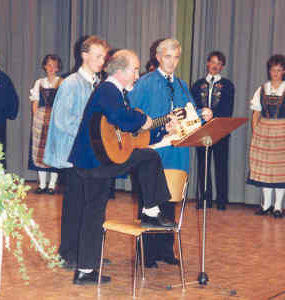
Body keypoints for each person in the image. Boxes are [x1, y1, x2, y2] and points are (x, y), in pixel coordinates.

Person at [68, 49, 176, 285]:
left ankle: (85, 271)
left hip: (99, 161)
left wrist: (159, 128)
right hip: (96, 161)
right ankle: (151, 212)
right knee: (148, 158)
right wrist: (141, 120)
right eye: (135, 69)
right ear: (120, 71)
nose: (138, 74)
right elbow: (121, 118)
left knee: (94, 215)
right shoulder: (109, 90)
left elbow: (130, 131)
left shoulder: (117, 93)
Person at [128, 38, 212, 268]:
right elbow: (132, 117)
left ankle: (166, 249)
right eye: (168, 56)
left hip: (178, 152)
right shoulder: (144, 84)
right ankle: (147, 253)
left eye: (176, 57)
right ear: (158, 57)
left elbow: (190, 116)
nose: (172, 62)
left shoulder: (183, 85)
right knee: (151, 201)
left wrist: (203, 115)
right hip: (153, 151)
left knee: (170, 201)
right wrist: (159, 128)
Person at [43, 36, 110, 268]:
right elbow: (62, 121)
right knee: (74, 207)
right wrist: (92, 134)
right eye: (98, 56)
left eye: (103, 56)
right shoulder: (71, 83)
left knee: (89, 206)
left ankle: (87, 252)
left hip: (90, 156)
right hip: (74, 157)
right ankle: (67, 253)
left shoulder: (97, 84)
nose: (102, 61)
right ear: (84, 55)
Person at [247, 54, 285, 218]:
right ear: (269, 70)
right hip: (264, 130)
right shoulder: (262, 88)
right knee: (265, 169)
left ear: (284, 71)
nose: (276, 73)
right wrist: (255, 132)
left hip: (282, 130)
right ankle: (266, 204)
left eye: (279, 70)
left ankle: (278, 207)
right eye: (273, 70)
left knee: (280, 170)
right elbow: (256, 113)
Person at [191, 51, 235, 210]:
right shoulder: (197, 84)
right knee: (203, 165)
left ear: (222, 66)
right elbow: (193, 106)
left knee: (221, 165)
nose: (215, 65)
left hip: (220, 129)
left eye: (219, 63)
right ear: (207, 63)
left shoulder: (228, 85)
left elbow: (227, 108)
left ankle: (222, 200)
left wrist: (213, 116)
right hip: (201, 130)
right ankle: (204, 199)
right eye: (213, 62)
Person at [28, 54, 63, 194]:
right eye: (48, 65)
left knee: (54, 151)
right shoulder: (39, 82)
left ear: (58, 68)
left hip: (55, 119)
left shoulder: (62, 82)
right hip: (41, 119)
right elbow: (35, 101)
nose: (51, 68)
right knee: (40, 151)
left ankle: (52, 185)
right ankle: (42, 184)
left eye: (54, 65)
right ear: (44, 66)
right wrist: (36, 117)